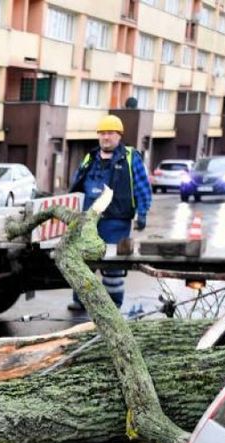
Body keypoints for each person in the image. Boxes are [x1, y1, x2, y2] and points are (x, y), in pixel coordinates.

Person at [68, 114, 152, 309]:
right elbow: (76, 185)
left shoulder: (130, 157)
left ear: (119, 135)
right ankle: (81, 301)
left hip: (116, 220)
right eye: (102, 133)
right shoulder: (90, 157)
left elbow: (142, 187)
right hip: (89, 221)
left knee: (113, 264)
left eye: (110, 133)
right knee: (84, 261)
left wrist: (143, 212)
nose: (106, 137)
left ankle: (112, 305)